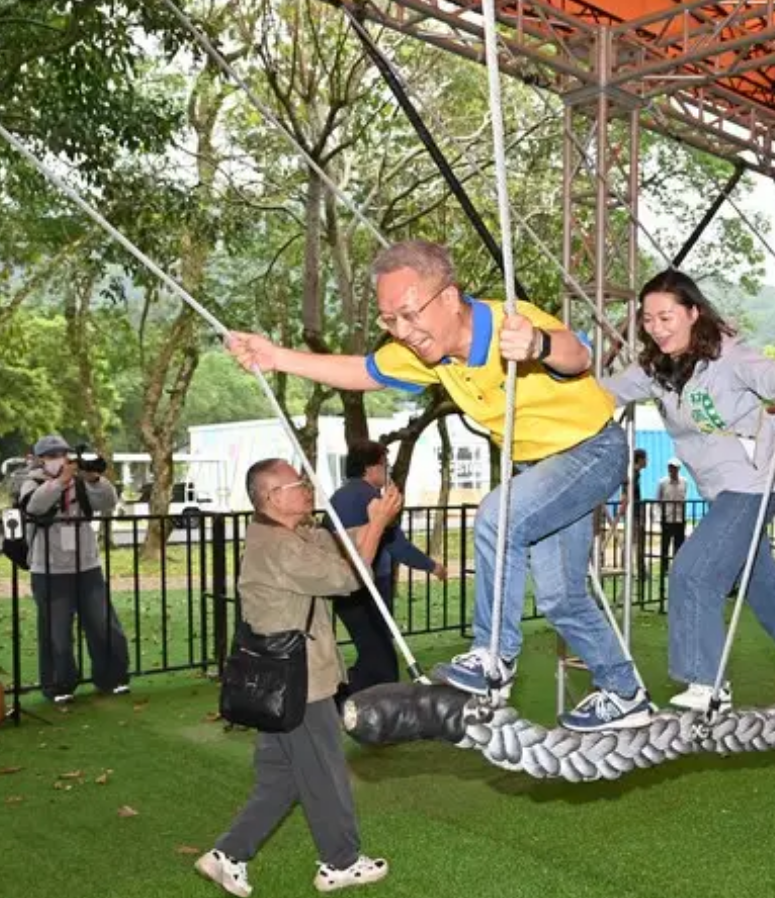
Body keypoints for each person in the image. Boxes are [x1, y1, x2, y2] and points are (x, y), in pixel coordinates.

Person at [225, 239, 650, 732]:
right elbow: (361, 371)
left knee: (498, 516)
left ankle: (494, 658)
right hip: (541, 470)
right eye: (390, 321)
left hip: (593, 449)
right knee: (559, 597)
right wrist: (275, 356)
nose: (402, 332)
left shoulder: (508, 321)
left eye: (409, 313)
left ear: (449, 297)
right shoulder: (423, 354)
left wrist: (538, 345)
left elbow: (578, 355)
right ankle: (624, 692)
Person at [603, 270, 775, 709]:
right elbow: (603, 395)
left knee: (694, 572)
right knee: (762, 584)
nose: (656, 328)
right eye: (648, 319)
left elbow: (767, 372)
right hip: (720, 490)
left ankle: (707, 683)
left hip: (753, 484)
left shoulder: (726, 355)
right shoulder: (654, 369)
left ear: (693, 313)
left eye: (666, 317)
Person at [196, 458, 401, 898]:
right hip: (298, 680)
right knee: (325, 772)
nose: (307, 488)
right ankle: (340, 863)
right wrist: (379, 525)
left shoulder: (288, 535)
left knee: (282, 777)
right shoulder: (279, 548)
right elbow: (349, 578)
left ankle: (228, 855)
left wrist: (370, 524)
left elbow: (338, 546)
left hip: (278, 681)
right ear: (272, 497)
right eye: (297, 483)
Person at [18, 434, 130, 703]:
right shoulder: (31, 482)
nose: (60, 460)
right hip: (49, 569)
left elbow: (108, 501)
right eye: (53, 456)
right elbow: (33, 507)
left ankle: (112, 677)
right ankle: (60, 685)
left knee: (103, 624)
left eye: (63, 455)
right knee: (57, 632)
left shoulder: (81, 483)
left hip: (87, 565)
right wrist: (59, 482)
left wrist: (93, 478)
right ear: (40, 459)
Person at [328, 440, 443, 698]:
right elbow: (395, 544)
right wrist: (433, 566)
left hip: (343, 586)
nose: (387, 470)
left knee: (374, 651)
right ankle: (348, 702)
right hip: (365, 586)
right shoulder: (369, 498)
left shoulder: (338, 496)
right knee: (381, 655)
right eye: (384, 464)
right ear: (372, 467)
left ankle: (353, 701)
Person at [615, 448, 650, 593]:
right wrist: (623, 505)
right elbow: (625, 490)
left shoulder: (636, 473)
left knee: (635, 542)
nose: (647, 461)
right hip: (632, 513)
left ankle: (638, 571)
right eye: (645, 458)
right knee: (632, 542)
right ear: (640, 459)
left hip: (635, 512)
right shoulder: (632, 474)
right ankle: (628, 569)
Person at [657, 458, 688, 576]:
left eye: (674, 468)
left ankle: (677, 567)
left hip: (680, 517)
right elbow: (658, 499)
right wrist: (660, 514)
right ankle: (664, 568)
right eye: (670, 467)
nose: (672, 470)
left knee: (679, 544)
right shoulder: (662, 483)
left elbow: (684, 496)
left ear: (678, 469)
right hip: (667, 518)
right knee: (665, 544)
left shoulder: (684, 482)